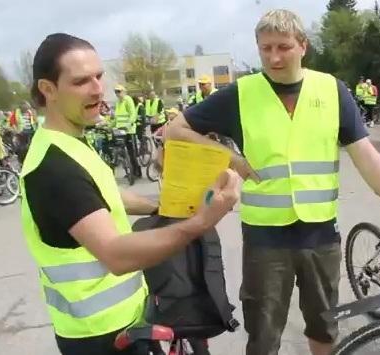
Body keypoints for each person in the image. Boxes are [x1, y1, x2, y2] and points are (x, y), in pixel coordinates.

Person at [166, 9, 380, 355]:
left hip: (320, 235)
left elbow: (367, 158)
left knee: (324, 327)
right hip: (265, 238)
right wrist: (230, 157)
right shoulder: (241, 93)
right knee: (263, 333)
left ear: (303, 46)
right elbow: (175, 130)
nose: (274, 57)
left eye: (283, 47)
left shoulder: (332, 91)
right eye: (265, 48)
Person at [21, 33, 240, 355]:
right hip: (100, 336)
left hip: (124, 321)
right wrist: (200, 222)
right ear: (48, 89)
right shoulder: (54, 168)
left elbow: (104, 199)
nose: (97, 89)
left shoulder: (69, 142)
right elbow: (116, 255)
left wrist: (163, 206)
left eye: (99, 76)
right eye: (81, 81)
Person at [113, 84, 142, 178]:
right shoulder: (117, 102)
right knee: (121, 151)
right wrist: (108, 125)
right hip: (120, 130)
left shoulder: (128, 99)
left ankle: (137, 171)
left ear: (123, 92)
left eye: (119, 91)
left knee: (131, 152)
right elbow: (117, 118)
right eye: (116, 92)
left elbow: (133, 114)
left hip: (129, 130)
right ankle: (128, 169)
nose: (117, 94)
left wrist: (128, 124)